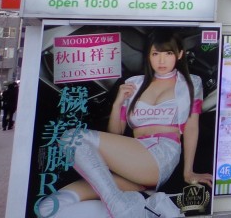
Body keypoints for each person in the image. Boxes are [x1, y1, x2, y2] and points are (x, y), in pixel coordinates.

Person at [37, 29, 212, 218]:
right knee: (49, 207)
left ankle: (119, 204)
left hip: (161, 156)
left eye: (168, 53)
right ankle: (145, 209)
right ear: (148, 56)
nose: (161, 61)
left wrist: (188, 172)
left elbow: (192, 126)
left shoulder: (191, 83)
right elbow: (116, 135)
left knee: (72, 138)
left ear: (179, 54)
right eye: (155, 54)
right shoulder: (134, 83)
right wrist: (118, 103)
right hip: (132, 161)